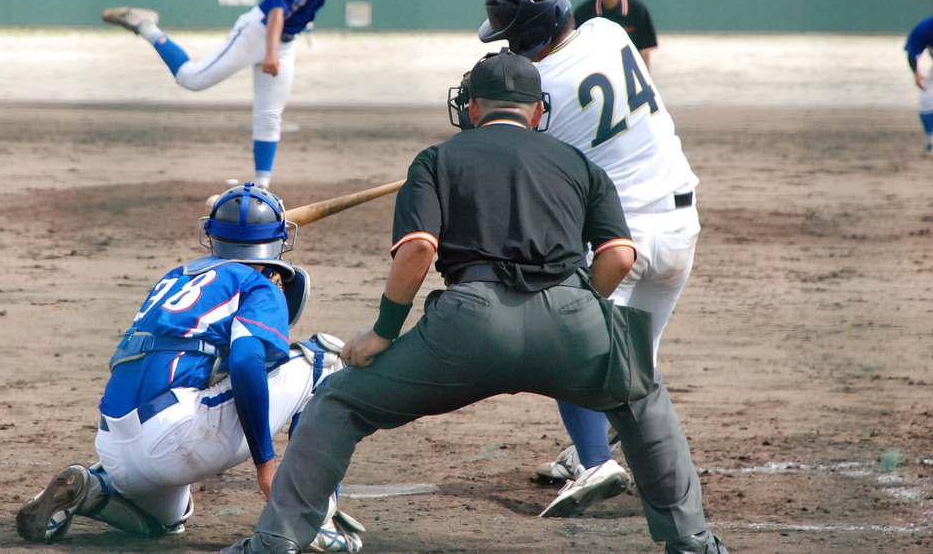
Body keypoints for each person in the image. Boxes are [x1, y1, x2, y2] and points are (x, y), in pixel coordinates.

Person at [220, 50, 728, 554]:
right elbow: (619, 256)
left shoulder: (437, 160)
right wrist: (575, 306)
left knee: (340, 403)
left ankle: (275, 542)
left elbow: (419, 249)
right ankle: (693, 542)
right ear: (536, 111)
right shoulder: (577, 163)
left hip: (466, 329)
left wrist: (384, 331)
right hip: (573, 323)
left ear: (473, 108)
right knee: (643, 396)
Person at [15, 182, 364, 553]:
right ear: (280, 241)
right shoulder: (258, 284)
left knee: (165, 521)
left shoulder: (174, 278)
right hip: (176, 439)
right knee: (324, 360)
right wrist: (265, 463)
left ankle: (95, 489)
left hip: (114, 446)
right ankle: (312, 520)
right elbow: (246, 362)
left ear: (210, 237)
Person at [478, 0, 700, 517]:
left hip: (618, 240)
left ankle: (596, 460)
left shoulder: (539, 92)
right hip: (680, 228)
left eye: (509, 37)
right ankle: (634, 471)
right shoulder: (609, 32)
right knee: (633, 364)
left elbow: (518, 157)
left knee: (567, 344)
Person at [101, 0, 433, 190]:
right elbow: (277, 12)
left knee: (270, 116)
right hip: (258, 33)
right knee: (191, 79)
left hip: (283, 42)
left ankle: (261, 188)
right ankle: (146, 26)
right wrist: (270, 53)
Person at [573, 0, 658, 71]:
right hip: (595, 71)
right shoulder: (583, 12)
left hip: (628, 70)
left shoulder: (638, 10)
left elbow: (644, 50)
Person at [903, 13, 933, 154]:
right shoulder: (926, 27)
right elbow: (912, 52)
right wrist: (916, 73)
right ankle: (931, 139)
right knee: (926, 99)